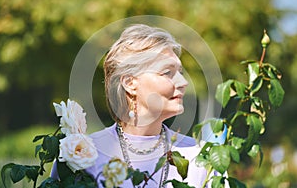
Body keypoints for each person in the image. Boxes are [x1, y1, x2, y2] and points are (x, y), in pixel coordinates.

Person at [51, 24, 216, 187]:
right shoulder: (81, 155)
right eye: (167, 73)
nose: (183, 82)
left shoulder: (201, 156)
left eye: (180, 72)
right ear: (130, 83)